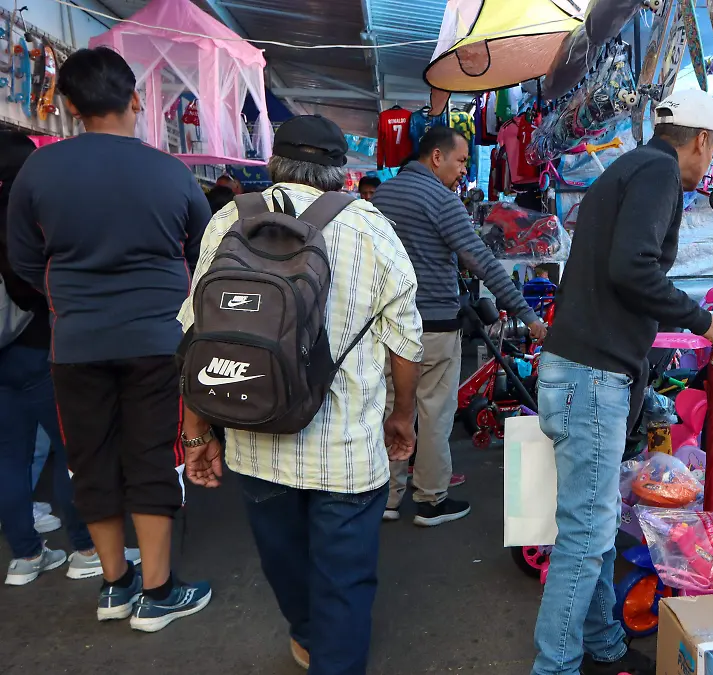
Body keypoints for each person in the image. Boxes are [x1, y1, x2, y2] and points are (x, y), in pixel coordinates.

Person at [180, 115, 423, 674]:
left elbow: (196, 335)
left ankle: (307, 635)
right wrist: (403, 416)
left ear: (273, 163)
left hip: (254, 434)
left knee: (283, 559)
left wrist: (197, 432)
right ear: (341, 171)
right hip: (345, 447)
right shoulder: (369, 226)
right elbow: (407, 343)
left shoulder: (229, 221)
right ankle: (333, 656)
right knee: (345, 576)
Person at [530, 89, 713, 675]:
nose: (710, 164)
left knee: (588, 527)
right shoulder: (659, 170)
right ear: (700, 140)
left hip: (579, 369)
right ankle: (555, 666)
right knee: (585, 536)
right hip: (591, 375)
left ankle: (603, 642)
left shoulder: (627, 166)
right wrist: (702, 318)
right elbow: (632, 267)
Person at [6, 47, 211, 630]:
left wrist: (66, 300)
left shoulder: (38, 170)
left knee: (89, 460)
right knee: (153, 456)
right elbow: (205, 252)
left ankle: (115, 586)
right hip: (157, 339)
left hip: (75, 341)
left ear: (69, 107)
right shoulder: (171, 172)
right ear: (136, 100)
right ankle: (159, 591)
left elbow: (22, 258)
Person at [372, 125, 546, 526]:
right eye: (461, 160)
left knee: (392, 410)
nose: (463, 170)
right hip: (433, 325)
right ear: (437, 157)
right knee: (434, 413)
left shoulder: (384, 195)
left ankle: (388, 496)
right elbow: (482, 262)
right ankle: (431, 501)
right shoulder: (442, 200)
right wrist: (529, 316)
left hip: (387, 326)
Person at [0, 130, 131, 586]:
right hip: (40, 344)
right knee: (75, 447)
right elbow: (32, 277)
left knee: (10, 456)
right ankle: (85, 547)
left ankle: (25, 555)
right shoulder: (29, 216)